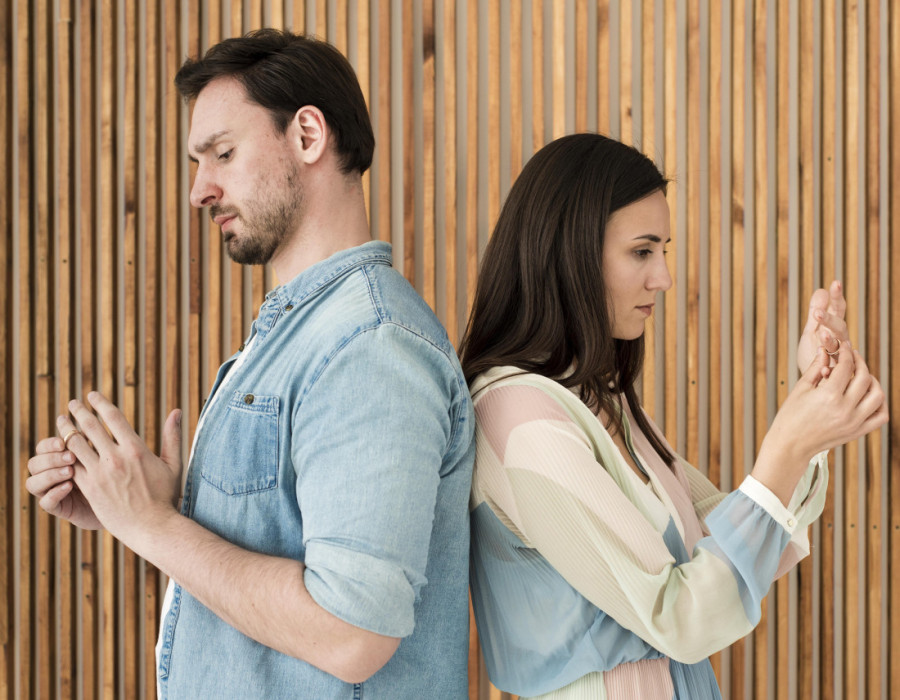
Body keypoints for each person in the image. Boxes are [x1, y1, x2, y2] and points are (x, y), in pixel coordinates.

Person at [26, 29, 475, 699]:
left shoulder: (369, 348)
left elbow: (352, 632)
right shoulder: (302, 337)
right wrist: (158, 509)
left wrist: (153, 525)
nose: (199, 191)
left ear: (307, 136)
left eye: (224, 154)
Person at [458, 133, 888, 699]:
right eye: (642, 251)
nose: (662, 277)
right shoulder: (519, 420)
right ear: (571, 253)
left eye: (663, 250)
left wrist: (811, 411)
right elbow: (681, 616)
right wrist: (787, 447)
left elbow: (741, 549)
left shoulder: (598, 402)